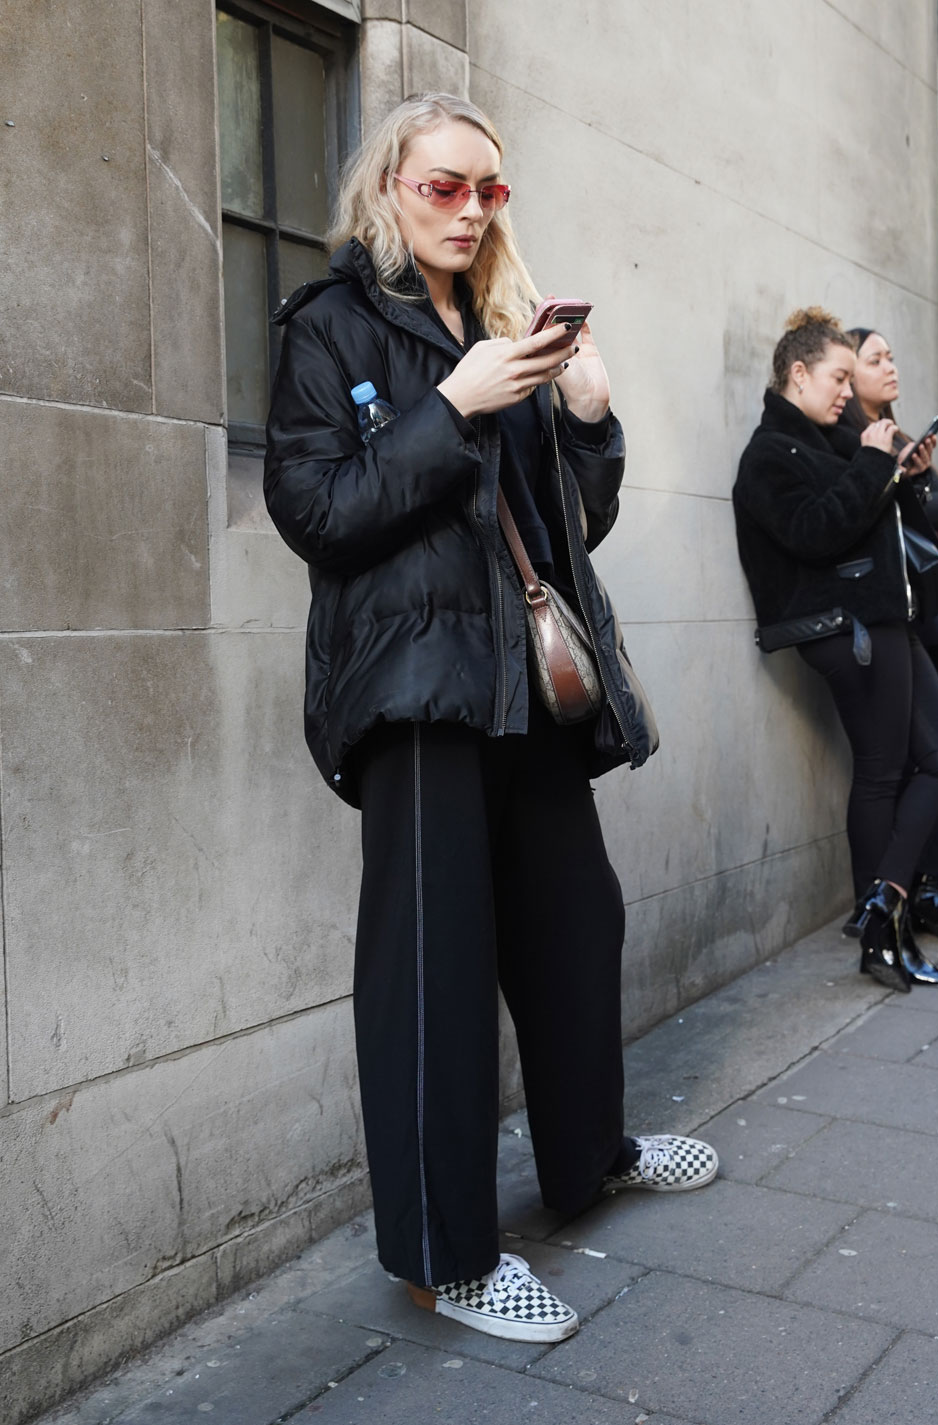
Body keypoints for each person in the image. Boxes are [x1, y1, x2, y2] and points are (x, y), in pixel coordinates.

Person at [264, 93, 718, 1344]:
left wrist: (587, 421)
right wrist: (450, 405)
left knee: (577, 925)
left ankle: (589, 1158)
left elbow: (571, 527)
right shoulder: (331, 326)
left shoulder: (507, 324)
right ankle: (443, 1258)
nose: (469, 209)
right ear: (388, 188)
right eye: (443, 186)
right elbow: (316, 513)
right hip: (413, 690)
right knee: (433, 974)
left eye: (488, 190)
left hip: (523, 685)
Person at [732, 307, 938, 992]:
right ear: (797, 374)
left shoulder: (831, 440)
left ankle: (883, 907)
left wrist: (903, 473)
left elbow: (885, 530)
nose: (844, 392)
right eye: (836, 377)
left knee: (935, 762)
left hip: (887, 620)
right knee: (886, 772)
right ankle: (883, 921)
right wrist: (871, 463)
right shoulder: (770, 454)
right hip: (845, 630)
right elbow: (814, 531)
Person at [840, 328, 938, 949]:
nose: (891, 366)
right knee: (909, 765)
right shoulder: (862, 446)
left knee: (933, 761)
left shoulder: (902, 442)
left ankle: (917, 889)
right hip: (900, 622)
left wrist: (921, 475)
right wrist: (899, 475)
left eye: (892, 354)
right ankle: (892, 898)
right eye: (875, 358)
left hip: (926, 615)